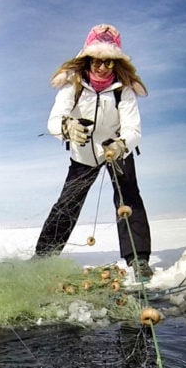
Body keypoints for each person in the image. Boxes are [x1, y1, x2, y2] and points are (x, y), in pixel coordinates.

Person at [35, 24, 153, 281]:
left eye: (109, 63)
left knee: (129, 201)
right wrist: (67, 127)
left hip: (116, 151)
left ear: (115, 63)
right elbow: (54, 120)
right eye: (97, 61)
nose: (102, 67)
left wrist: (121, 145)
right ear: (88, 59)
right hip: (83, 155)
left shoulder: (124, 90)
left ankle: (139, 259)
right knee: (67, 205)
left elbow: (134, 128)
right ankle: (43, 258)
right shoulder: (73, 85)